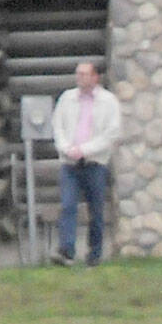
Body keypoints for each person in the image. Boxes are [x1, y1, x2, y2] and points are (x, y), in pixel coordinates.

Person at [50, 59, 121, 267]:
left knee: (96, 210)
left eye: (84, 74)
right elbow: (58, 126)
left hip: (94, 163)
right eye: (78, 74)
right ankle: (67, 251)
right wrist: (66, 148)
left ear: (95, 77)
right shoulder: (67, 99)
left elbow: (111, 133)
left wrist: (86, 150)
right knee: (68, 205)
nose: (80, 77)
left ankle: (94, 254)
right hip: (70, 163)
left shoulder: (108, 102)